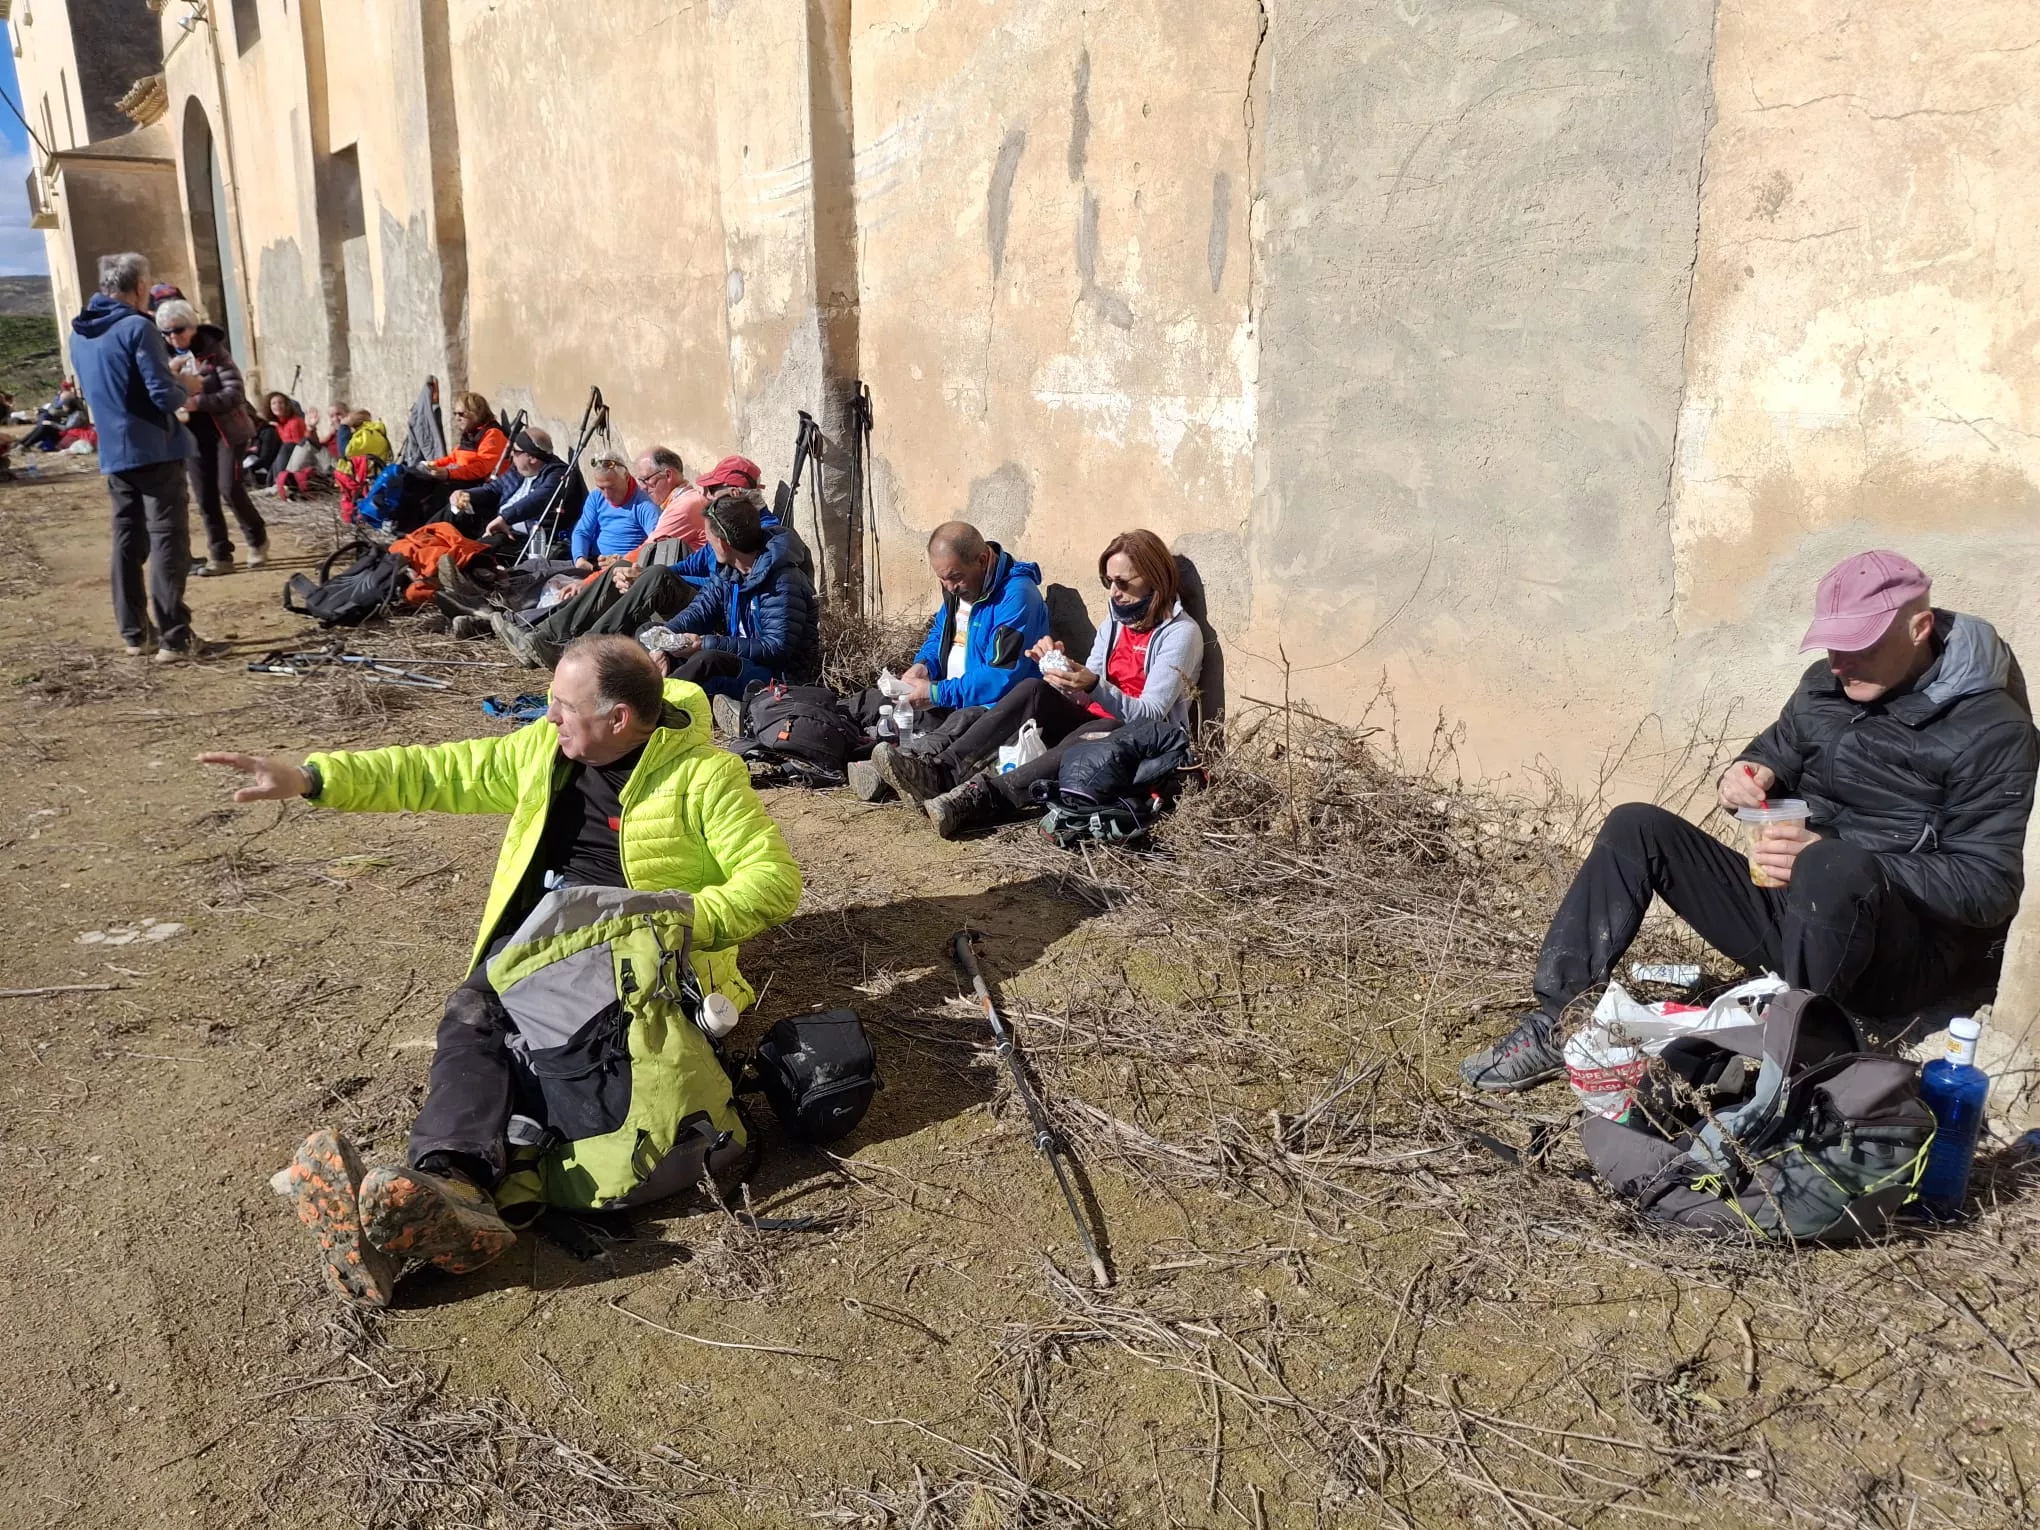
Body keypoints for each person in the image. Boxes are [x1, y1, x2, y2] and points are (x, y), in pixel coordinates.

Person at [205, 635, 803, 1305]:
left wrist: (663, 921)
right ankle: (440, 1194)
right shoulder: (546, 750)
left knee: (494, 1027)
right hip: (534, 951)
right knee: (477, 1011)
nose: (548, 717)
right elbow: (441, 771)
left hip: (630, 962)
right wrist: (311, 778)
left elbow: (774, 882)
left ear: (618, 719)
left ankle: (444, 1189)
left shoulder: (704, 778)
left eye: (563, 706)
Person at [1461, 550, 2039, 1092]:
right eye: (1831, 646)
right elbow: (1774, 753)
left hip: (1891, 959)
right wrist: (1747, 775)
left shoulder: (1992, 730)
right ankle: (1558, 1019)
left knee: (1832, 866)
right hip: (1792, 913)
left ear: (1919, 629)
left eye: (1858, 646)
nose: (1838, 663)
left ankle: (1797, 1059)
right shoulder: (1826, 686)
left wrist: (1839, 860)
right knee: (1635, 827)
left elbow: (1989, 886)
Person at [876, 529, 1204, 837]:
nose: (1114, 592)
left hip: (1136, 739)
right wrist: (1059, 670)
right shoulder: (1116, 621)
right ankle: (941, 772)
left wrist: (1092, 685)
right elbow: (1086, 688)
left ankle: (983, 799)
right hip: (1095, 717)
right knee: (1034, 689)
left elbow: (1150, 716)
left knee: (1093, 732)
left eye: (1123, 582)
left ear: (1154, 578)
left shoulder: (1181, 634)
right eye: (1108, 581)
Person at [69, 252, 206, 661]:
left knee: (127, 541)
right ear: (141, 287)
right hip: (154, 448)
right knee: (168, 540)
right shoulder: (137, 327)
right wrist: (186, 385)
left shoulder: (80, 334)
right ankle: (175, 638)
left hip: (113, 449)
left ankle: (135, 633)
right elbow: (163, 396)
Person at [645, 488, 820, 720]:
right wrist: (663, 640)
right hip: (739, 659)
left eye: (708, 538)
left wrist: (706, 643)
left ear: (723, 544)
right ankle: (645, 694)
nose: (707, 544)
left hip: (776, 677)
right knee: (649, 632)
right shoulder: (731, 571)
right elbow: (701, 610)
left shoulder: (782, 581)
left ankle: (648, 713)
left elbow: (775, 648)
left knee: (708, 660)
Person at [156, 299, 268, 576]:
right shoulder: (163, 357)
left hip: (226, 432)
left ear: (192, 327)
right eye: (166, 332)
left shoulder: (214, 352)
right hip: (191, 435)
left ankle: (256, 538)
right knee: (204, 495)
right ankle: (220, 555)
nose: (172, 337)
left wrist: (198, 401)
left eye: (178, 330)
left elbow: (235, 393)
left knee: (229, 487)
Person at [442, 426, 571, 546]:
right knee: (456, 509)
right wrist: (466, 494)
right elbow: (493, 489)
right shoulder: (518, 470)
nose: (511, 454)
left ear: (532, 458)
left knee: (492, 542)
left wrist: (505, 518)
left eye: (516, 451)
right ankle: (431, 540)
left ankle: (461, 556)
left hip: (521, 536)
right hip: (498, 520)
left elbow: (536, 500)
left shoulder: (557, 474)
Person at [568, 448, 661, 567]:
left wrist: (624, 560)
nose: (607, 495)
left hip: (625, 567)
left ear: (626, 477)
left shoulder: (644, 505)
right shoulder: (596, 497)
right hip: (594, 563)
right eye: (601, 488)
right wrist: (580, 559)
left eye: (611, 488)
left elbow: (656, 544)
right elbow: (582, 531)